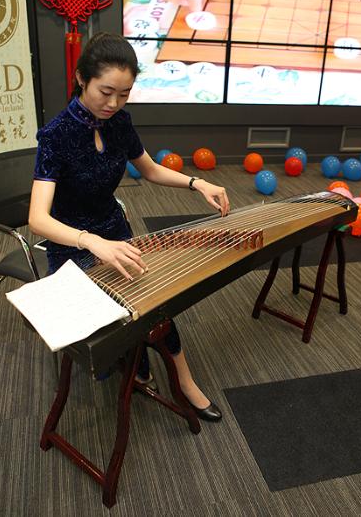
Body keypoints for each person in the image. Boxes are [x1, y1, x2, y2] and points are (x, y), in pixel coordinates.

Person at [28, 32, 230, 421]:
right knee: (112, 327)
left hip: (114, 233)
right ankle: (131, 360)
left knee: (156, 303)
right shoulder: (56, 136)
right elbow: (38, 219)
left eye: (124, 93)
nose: (114, 103)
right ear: (81, 78)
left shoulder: (120, 122)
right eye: (106, 92)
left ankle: (184, 380)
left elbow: (151, 170)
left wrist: (197, 182)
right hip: (72, 246)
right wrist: (92, 242)